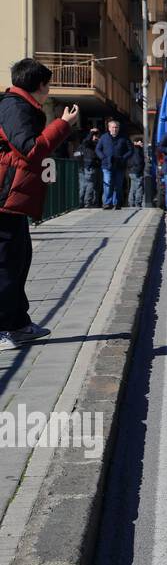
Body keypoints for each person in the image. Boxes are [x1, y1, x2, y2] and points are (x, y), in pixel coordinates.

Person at [0, 58, 77, 352]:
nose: (49, 89)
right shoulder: (14, 107)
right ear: (39, 85)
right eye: (48, 84)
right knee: (5, 265)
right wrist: (62, 125)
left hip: (13, 199)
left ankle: (18, 324)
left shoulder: (20, 106)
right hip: (4, 197)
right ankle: (3, 329)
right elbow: (30, 149)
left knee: (19, 261)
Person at [95, 118, 132, 210]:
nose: (114, 129)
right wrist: (103, 157)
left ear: (118, 128)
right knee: (107, 183)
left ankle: (116, 203)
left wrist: (123, 158)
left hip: (119, 165)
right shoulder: (104, 137)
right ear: (109, 128)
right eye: (113, 127)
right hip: (106, 165)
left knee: (118, 185)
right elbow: (98, 149)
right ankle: (107, 203)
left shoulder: (124, 137)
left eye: (116, 127)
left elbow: (130, 150)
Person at [78, 126, 100, 208]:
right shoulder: (87, 144)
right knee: (89, 184)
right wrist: (91, 133)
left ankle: (83, 203)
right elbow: (86, 141)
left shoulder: (92, 144)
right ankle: (87, 202)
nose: (95, 137)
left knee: (85, 186)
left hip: (86, 167)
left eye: (96, 135)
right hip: (88, 167)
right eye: (94, 135)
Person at [127, 137, 146, 207]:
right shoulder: (137, 149)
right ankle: (138, 202)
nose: (142, 143)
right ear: (136, 142)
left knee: (133, 188)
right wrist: (139, 170)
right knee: (139, 188)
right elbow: (138, 161)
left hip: (131, 171)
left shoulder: (131, 149)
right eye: (140, 142)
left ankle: (131, 202)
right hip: (136, 171)